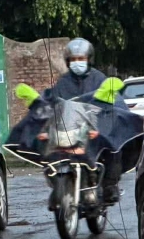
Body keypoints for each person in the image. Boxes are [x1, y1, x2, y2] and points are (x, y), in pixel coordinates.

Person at [49, 37, 124, 204]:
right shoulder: (62, 82)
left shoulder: (100, 79)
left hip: (95, 128)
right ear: (68, 62)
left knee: (113, 146)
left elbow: (115, 100)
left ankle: (110, 185)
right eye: (74, 59)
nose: (77, 62)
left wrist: (114, 113)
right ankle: (58, 186)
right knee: (49, 149)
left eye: (81, 59)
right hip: (70, 129)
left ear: (89, 59)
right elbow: (52, 101)